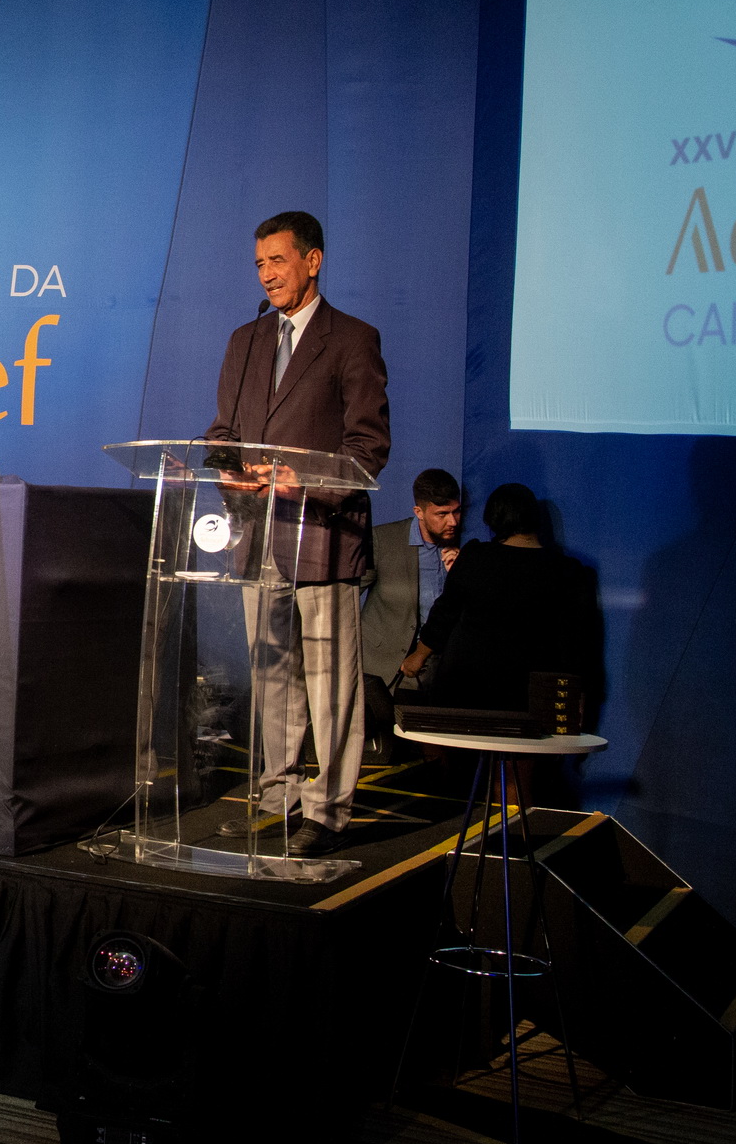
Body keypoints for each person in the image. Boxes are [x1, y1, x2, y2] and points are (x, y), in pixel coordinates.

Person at [207, 210, 389, 857]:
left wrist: (300, 480)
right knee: (272, 677)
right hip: (257, 536)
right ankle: (277, 795)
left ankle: (327, 810)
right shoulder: (245, 340)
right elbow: (223, 432)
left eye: (277, 260)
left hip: (323, 538)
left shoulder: (352, 339)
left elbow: (367, 449)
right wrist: (227, 469)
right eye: (260, 263)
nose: (266, 273)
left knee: (330, 683)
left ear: (313, 261)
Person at [401, 484, 598, 804]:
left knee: (456, 785)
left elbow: (444, 615)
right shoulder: (570, 572)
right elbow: (578, 647)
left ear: (494, 518)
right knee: (513, 786)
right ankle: (508, 836)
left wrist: (417, 657)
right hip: (530, 698)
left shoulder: (476, 557)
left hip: (466, 689)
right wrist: (578, 701)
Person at [359, 468, 463, 749]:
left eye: (456, 511)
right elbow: (348, 594)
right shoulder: (384, 540)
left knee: (424, 754)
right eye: (442, 514)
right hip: (379, 668)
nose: (452, 521)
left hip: (433, 670)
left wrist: (462, 574)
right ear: (419, 511)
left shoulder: (467, 550)